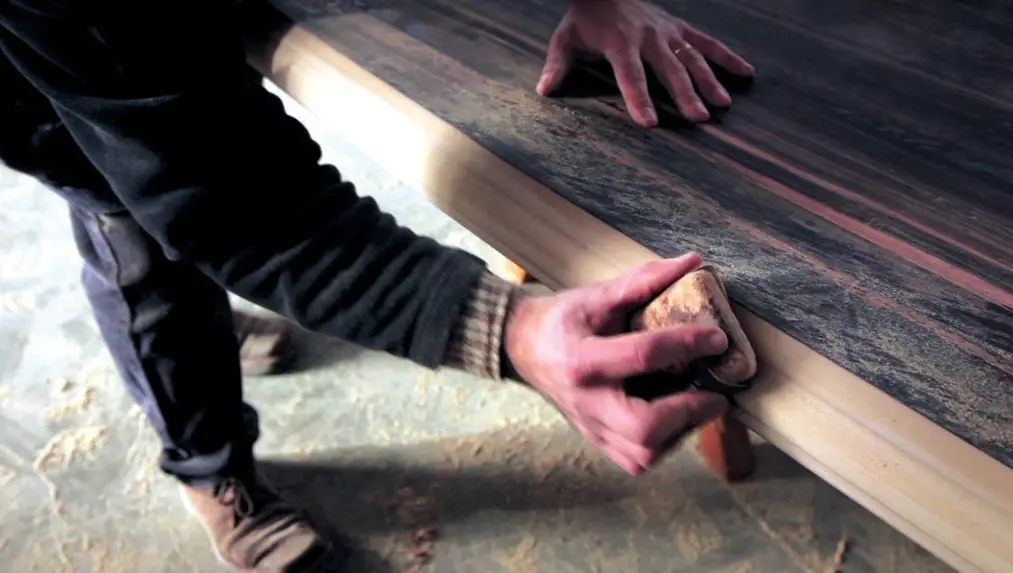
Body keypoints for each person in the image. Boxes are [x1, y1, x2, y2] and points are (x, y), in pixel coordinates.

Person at [0, 0, 754, 570]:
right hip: (55, 69)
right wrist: (507, 329)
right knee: (139, 236)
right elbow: (228, 196)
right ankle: (209, 465)